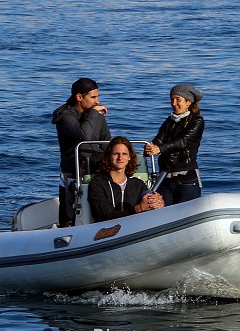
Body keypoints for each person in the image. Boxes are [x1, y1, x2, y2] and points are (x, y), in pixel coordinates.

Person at [52, 78, 111, 227]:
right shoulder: (65, 116)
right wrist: (93, 113)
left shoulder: (96, 114)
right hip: (73, 171)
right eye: (93, 97)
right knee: (70, 215)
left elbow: (106, 141)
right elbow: (83, 135)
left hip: (96, 168)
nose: (97, 102)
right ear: (79, 97)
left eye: (97, 97)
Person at [146, 83, 205, 206]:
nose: (174, 103)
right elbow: (159, 139)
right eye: (172, 99)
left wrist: (160, 149)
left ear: (188, 102)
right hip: (165, 177)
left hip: (186, 178)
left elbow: (183, 141)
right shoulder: (169, 121)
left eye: (178, 99)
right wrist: (150, 148)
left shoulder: (197, 121)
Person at [87, 137, 164, 223]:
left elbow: (148, 204)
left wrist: (157, 203)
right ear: (109, 156)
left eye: (124, 154)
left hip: (134, 227)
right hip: (106, 231)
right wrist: (138, 208)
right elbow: (106, 215)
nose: (120, 157)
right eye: (116, 154)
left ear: (130, 157)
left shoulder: (138, 184)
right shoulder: (97, 184)